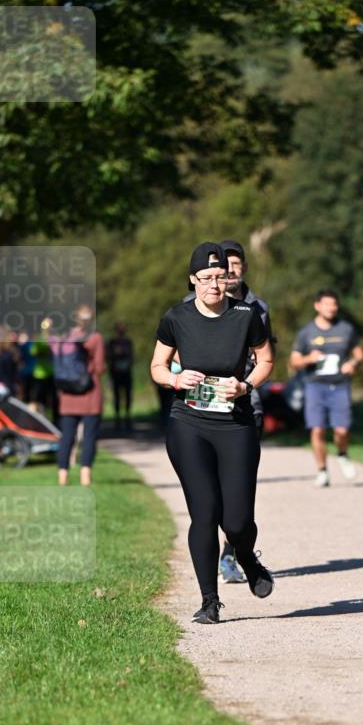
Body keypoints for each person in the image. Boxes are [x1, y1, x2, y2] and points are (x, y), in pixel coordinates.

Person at [150, 242, 275, 624]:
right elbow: (157, 365)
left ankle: (246, 555)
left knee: (237, 521)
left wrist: (246, 386)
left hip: (235, 424)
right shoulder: (177, 318)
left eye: (220, 277)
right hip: (189, 423)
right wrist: (175, 378)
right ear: (193, 279)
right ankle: (209, 601)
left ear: (230, 277)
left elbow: (267, 360)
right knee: (204, 513)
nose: (214, 285)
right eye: (206, 278)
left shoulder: (246, 315)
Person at [184, 239, 275, 584]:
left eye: (232, 269)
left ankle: (233, 550)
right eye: (219, 270)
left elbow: (266, 355)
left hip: (245, 407)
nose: (226, 276)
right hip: (200, 413)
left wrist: (245, 385)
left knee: (237, 499)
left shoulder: (257, 308)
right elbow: (172, 352)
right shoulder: (187, 306)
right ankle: (225, 565)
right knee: (208, 503)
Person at [290, 290, 363, 487]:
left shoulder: (345, 329)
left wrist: (353, 363)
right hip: (315, 386)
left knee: (341, 430)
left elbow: (359, 353)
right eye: (326, 304)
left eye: (334, 304)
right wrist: (308, 359)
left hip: (340, 386)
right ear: (317, 306)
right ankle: (322, 470)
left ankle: (342, 453)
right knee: (317, 430)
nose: (330, 308)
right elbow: (294, 361)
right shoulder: (307, 332)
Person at [52, 304, 105, 487]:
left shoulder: (64, 337)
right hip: (90, 394)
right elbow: (99, 367)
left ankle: (62, 476)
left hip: (67, 395)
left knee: (67, 436)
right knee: (89, 436)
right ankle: (85, 477)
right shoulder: (95, 338)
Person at [106, 322, 134, 430]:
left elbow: (132, 357)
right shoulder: (112, 343)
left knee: (127, 395)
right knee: (116, 396)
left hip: (126, 372)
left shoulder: (128, 342)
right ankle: (117, 418)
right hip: (115, 373)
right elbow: (107, 357)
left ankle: (127, 416)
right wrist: (115, 354)